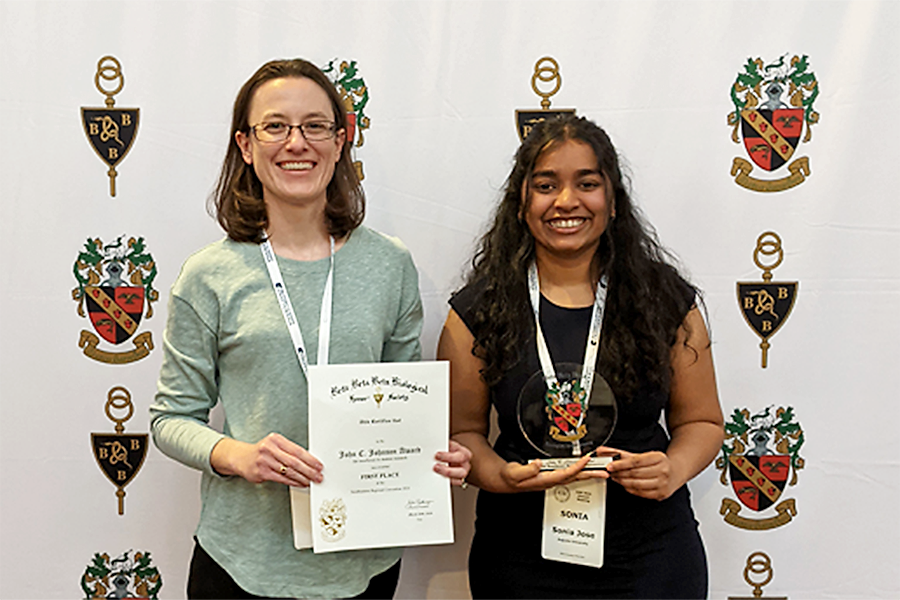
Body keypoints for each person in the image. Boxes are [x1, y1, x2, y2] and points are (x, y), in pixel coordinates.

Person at [150, 58, 471, 600]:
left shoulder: (390, 264)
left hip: (362, 562)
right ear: (246, 146)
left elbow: (400, 404)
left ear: (341, 141)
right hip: (240, 562)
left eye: (315, 126)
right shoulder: (210, 274)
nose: (296, 142)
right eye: (275, 126)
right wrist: (239, 456)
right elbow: (170, 418)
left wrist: (433, 453)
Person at [438, 114, 723, 599]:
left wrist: (673, 468)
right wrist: (502, 477)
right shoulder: (477, 310)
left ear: (612, 201)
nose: (566, 201)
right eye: (546, 185)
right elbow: (464, 433)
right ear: (522, 202)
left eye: (586, 183)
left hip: (650, 557)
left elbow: (703, 423)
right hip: (520, 557)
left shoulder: (665, 301)